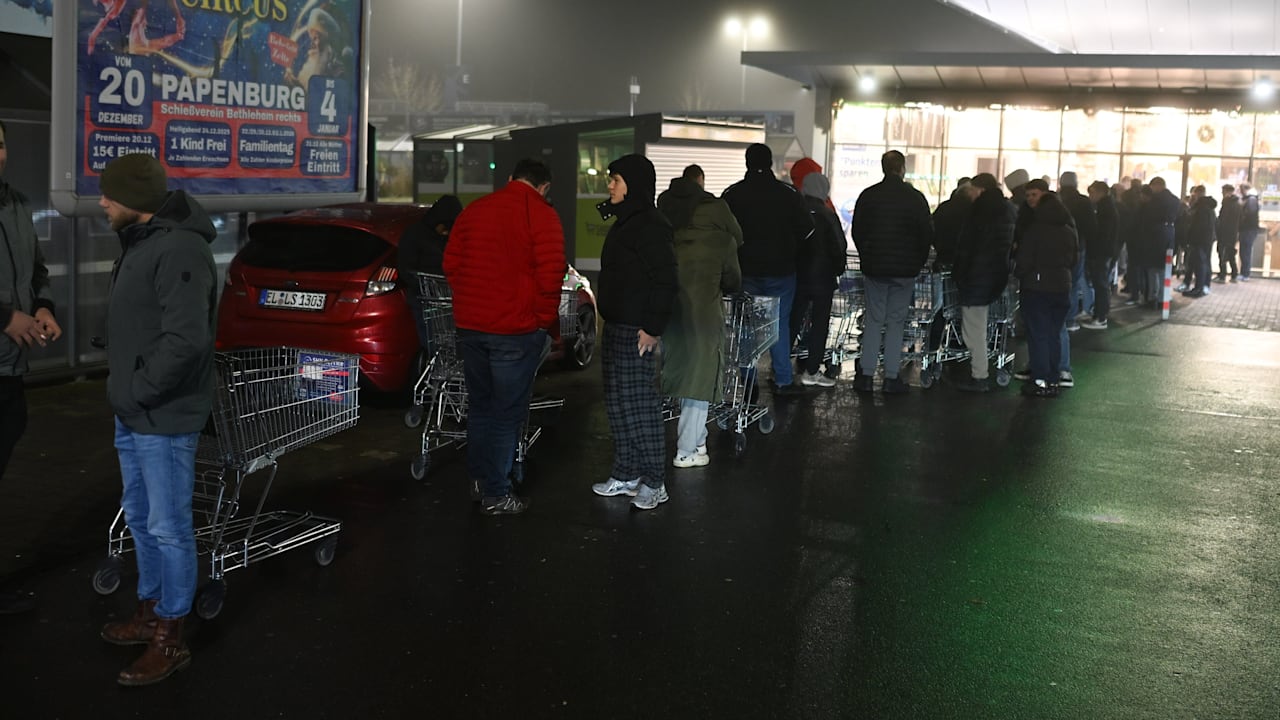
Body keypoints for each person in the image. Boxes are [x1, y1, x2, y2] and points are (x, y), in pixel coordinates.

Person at [98, 153, 217, 686]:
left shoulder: (179, 248)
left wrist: (140, 390)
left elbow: (187, 339)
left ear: (134, 201)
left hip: (162, 414)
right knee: (142, 518)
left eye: (108, 195)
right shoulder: (144, 243)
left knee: (169, 528)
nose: (101, 202)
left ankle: (171, 635)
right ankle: (150, 612)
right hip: (135, 410)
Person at [443, 160, 564, 516]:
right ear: (544, 188)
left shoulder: (475, 211)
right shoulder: (542, 216)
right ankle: (497, 493)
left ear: (510, 180)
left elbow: (451, 264)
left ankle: (480, 481)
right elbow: (551, 274)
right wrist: (542, 322)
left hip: (472, 327)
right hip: (515, 330)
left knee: (480, 407)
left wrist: (469, 304)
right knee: (506, 413)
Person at [591, 154, 677, 510]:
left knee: (640, 407)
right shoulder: (627, 221)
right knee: (619, 405)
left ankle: (654, 482)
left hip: (637, 330)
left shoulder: (650, 224)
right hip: (617, 326)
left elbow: (665, 279)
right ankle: (627, 474)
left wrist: (653, 328)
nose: (610, 186)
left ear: (635, 186)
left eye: (616, 180)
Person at [0, 119, 61, 615]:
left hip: (8, 367)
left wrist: (42, 307)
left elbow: (36, 268)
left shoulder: (17, 203)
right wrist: (5, 317)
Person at [656, 165, 742, 467]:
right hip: (703, 314)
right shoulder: (722, 238)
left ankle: (697, 441)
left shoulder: (665, 228)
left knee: (681, 374)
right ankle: (687, 449)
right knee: (700, 378)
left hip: (666, 314)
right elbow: (733, 279)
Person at [722, 143, 813, 396]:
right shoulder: (788, 194)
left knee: (744, 325)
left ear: (747, 163)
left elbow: (723, 233)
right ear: (770, 162)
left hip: (745, 273)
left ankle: (749, 381)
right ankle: (783, 379)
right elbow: (807, 230)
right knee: (779, 324)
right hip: (781, 271)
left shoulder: (733, 194)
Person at [849, 150, 932, 394]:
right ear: (902, 168)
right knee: (896, 322)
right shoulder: (915, 198)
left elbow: (857, 230)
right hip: (905, 271)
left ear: (883, 168)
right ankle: (891, 378)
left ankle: (865, 376)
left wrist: (867, 256)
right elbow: (925, 234)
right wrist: (916, 262)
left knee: (874, 320)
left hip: (875, 269)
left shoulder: (869, 195)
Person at [1013, 179, 1078, 398]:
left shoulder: (1036, 230)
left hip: (1037, 286)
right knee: (1053, 334)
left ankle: (1039, 379)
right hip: (1062, 286)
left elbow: (1024, 260)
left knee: (1038, 334)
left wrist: (1019, 273)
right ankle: (1053, 377)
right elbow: (1074, 258)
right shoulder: (1068, 229)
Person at [951, 173, 1015, 392]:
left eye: (972, 189)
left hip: (976, 276)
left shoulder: (980, 211)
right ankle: (980, 373)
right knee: (980, 326)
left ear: (980, 189)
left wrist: (960, 273)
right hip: (994, 275)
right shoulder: (1006, 209)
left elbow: (969, 247)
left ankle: (979, 376)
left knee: (973, 330)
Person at [791, 171, 847, 387]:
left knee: (792, 322)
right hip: (824, 279)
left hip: (797, 277)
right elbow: (839, 246)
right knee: (819, 324)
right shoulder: (827, 214)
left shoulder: (795, 212)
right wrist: (837, 269)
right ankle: (811, 370)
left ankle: (781, 369)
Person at [398, 194, 463, 349]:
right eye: (445, 227)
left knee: (448, 343)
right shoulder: (415, 235)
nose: (446, 232)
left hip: (447, 299)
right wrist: (426, 287)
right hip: (425, 299)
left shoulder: (448, 239)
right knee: (433, 341)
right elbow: (406, 268)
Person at [1081, 180, 1119, 330]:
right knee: (1101, 284)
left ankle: (1100, 317)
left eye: (1092, 193)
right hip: (1104, 252)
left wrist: (1095, 250)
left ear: (1100, 192)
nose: (1091, 196)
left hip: (1100, 252)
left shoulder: (1104, 210)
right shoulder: (1107, 207)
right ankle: (1099, 314)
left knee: (1100, 284)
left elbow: (1102, 234)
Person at [1182, 185, 1217, 298]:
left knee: (1199, 265)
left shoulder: (1201, 208)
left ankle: (1199, 288)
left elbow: (1197, 226)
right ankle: (1201, 287)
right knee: (1203, 264)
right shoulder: (1208, 208)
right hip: (1205, 240)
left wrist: (1191, 238)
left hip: (1199, 241)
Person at [1215, 184, 1241, 283]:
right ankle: (1234, 274)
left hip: (1225, 233)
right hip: (1233, 233)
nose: (1222, 193)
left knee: (1222, 253)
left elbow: (1223, 220)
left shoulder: (1227, 203)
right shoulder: (1237, 203)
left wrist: (1219, 228)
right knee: (1230, 254)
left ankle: (1222, 275)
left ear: (1228, 192)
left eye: (1223, 191)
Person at [1238, 182, 1260, 281]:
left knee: (1245, 251)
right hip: (1247, 229)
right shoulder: (1249, 199)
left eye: (1241, 189)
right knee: (1244, 251)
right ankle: (1244, 273)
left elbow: (1249, 214)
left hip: (1248, 229)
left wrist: (1242, 217)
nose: (1240, 191)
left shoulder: (1250, 200)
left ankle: (1245, 273)